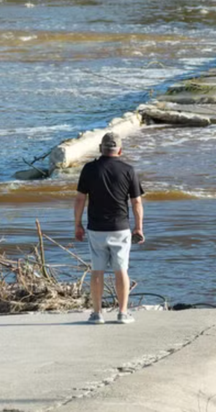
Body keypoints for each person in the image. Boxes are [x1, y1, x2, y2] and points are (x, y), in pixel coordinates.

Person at [74, 131, 144, 325]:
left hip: (96, 228)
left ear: (100, 149)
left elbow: (80, 199)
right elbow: (136, 202)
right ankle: (122, 313)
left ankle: (97, 314)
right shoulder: (128, 170)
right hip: (120, 228)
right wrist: (138, 228)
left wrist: (77, 224)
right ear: (120, 150)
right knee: (121, 270)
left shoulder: (89, 169)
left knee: (97, 271)